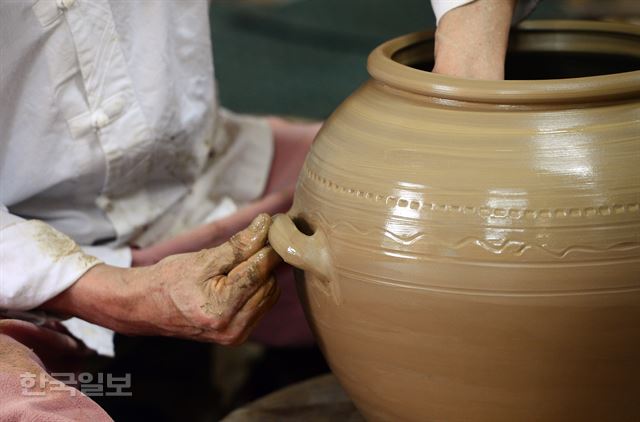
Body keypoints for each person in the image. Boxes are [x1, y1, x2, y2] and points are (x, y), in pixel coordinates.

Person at [0, 0, 535, 418]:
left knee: (376, 198)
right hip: (17, 259)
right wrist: (112, 293)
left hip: (190, 170)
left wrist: (466, 68)